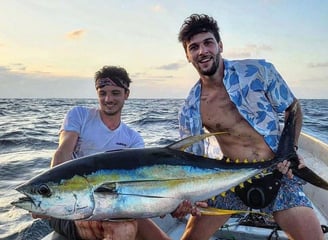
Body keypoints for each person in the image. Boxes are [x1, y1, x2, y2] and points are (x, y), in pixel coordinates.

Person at [176, 14, 324, 240]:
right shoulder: (190, 108)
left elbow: (292, 108)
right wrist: (190, 197)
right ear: (188, 55)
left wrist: (290, 150)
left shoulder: (258, 71)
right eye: (193, 47)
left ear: (220, 45)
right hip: (229, 180)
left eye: (208, 42)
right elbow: (192, 162)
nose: (202, 51)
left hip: (278, 173)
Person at [34, 66, 170, 240]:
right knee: (123, 230)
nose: (108, 99)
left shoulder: (133, 139)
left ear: (126, 94)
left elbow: (137, 183)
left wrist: (167, 204)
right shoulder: (79, 116)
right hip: (70, 208)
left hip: (114, 205)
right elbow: (63, 152)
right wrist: (53, 196)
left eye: (115, 93)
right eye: (102, 92)